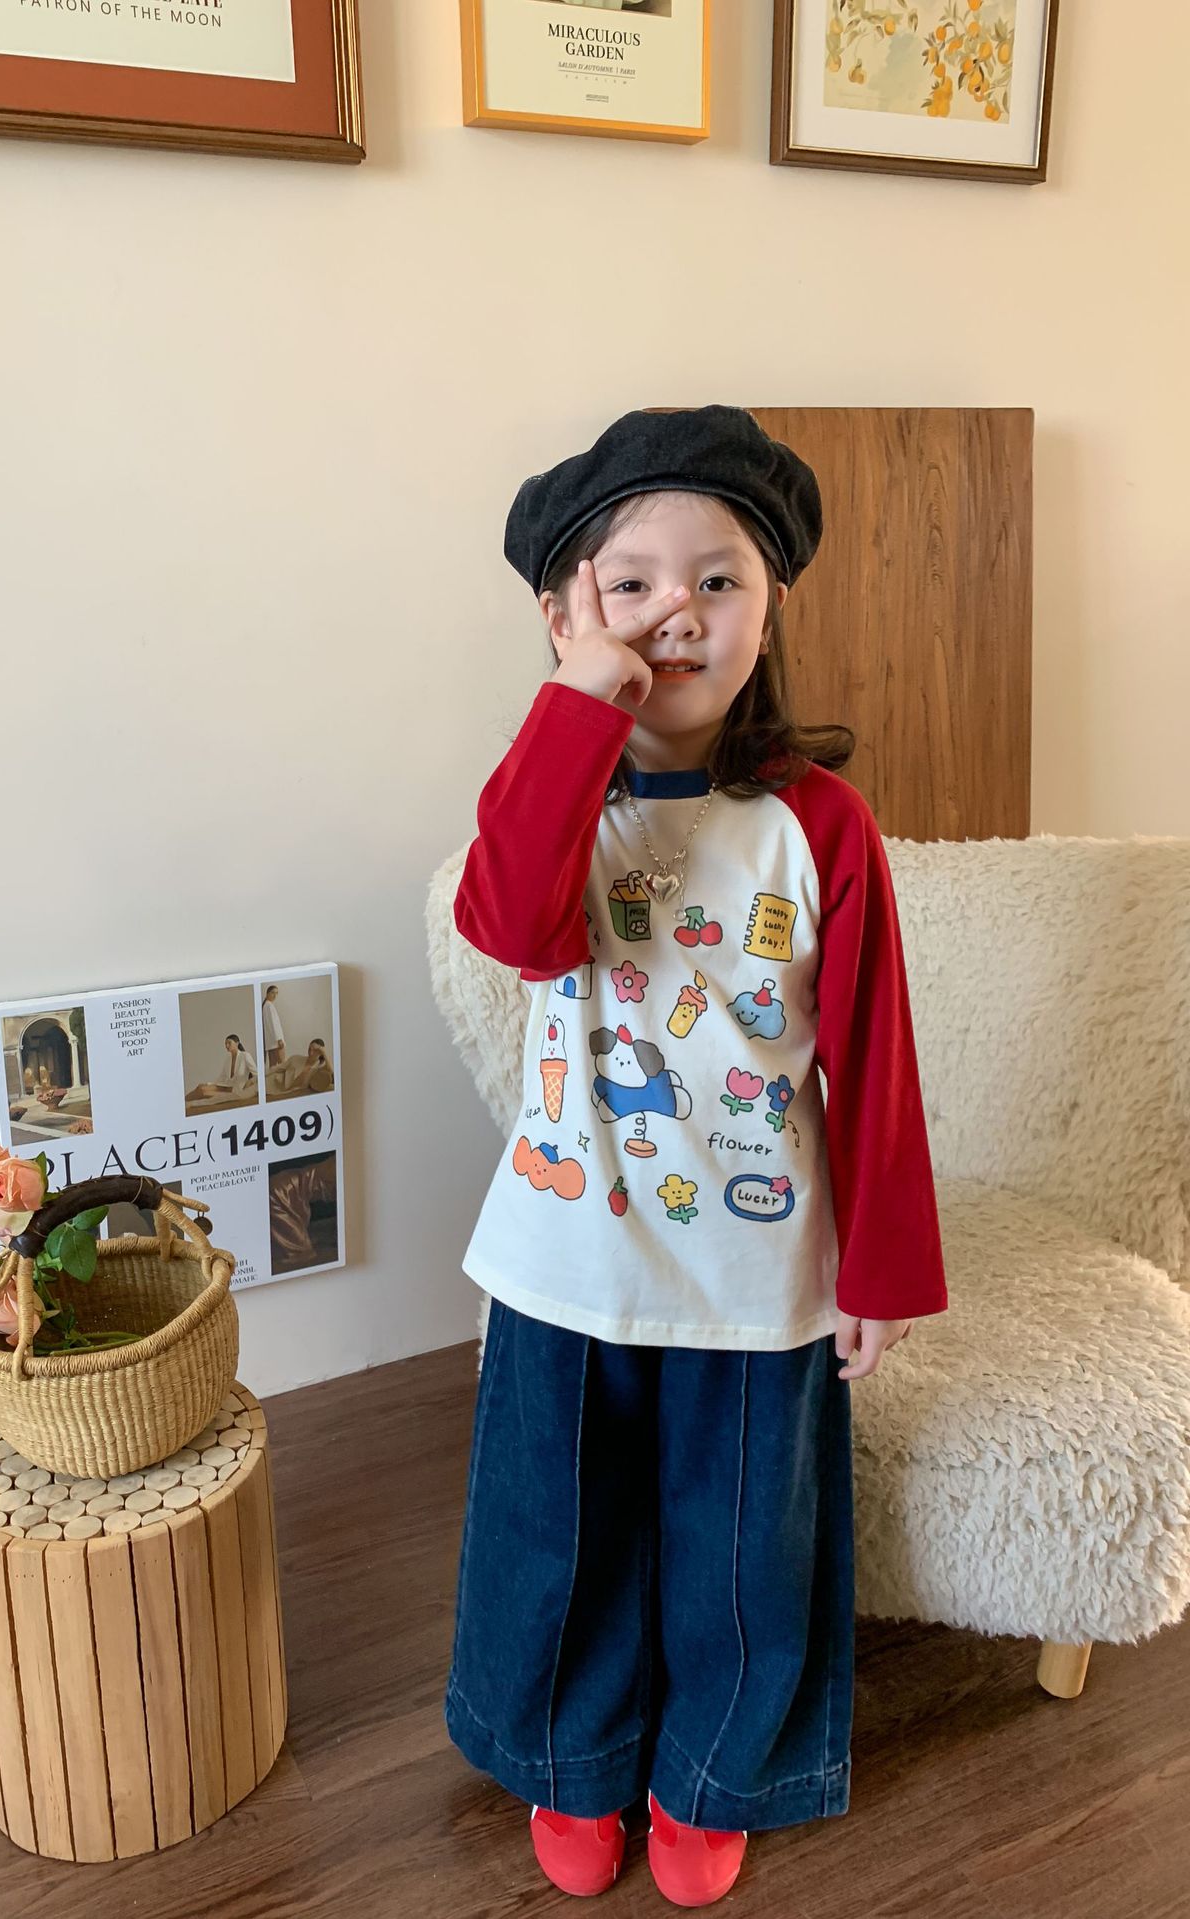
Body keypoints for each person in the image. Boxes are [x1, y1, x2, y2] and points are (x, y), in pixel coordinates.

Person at [444, 405, 948, 1906]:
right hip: (568, 1251)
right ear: (565, 615)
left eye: (718, 580)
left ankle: (714, 1773)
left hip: (755, 1261)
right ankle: (573, 1758)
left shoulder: (819, 823)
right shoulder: (556, 804)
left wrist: (880, 1268)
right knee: (561, 1531)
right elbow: (508, 923)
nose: (678, 610)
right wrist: (577, 708)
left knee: (740, 1548)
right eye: (633, 583)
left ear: (768, 609)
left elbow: (875, 1053)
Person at [188, 1033, 257, 1103]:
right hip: (227, 1086)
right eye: (225, 1044)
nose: (227, 1046)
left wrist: (250, 1082)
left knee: (203, 1092)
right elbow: (222, 1077)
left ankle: (183, 1103)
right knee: (200, 1087)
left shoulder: (245, 1056)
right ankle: (183, 1102)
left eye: (229, 1043)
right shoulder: (228, 1059)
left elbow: (257, 1075)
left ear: (237, 1043)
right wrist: (209, 1084)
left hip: (236, 1089)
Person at [262, 985, 287, 1070]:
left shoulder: (266, 1005)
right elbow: (273, 1024)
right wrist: (279, 1039)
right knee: (283, 1065)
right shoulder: (269, 1006)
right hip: (276, 1042)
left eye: (276, 993)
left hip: (270, 1043)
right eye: (272, 993)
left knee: (272, 1067)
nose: (275, 995)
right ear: (267, 993)